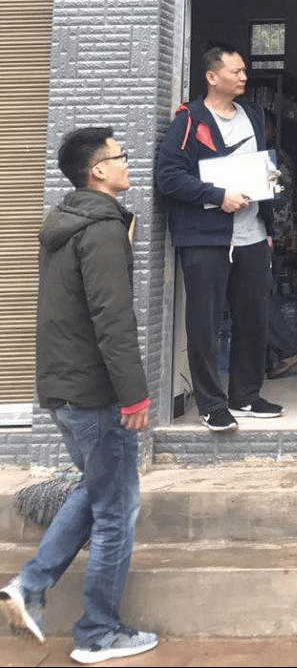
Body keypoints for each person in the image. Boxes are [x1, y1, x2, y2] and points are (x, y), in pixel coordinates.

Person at [0, 128, 159, 663]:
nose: (127, 163)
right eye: (120, 156)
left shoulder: (66, 223)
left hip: (64, 389)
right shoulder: (103, 230)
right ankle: (97, 634)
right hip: (96, 394)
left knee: (95, 491)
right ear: (98, 171)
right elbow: (113, 320)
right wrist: (133, 396)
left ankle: (29, 586)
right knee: (117, 510)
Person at [155, 42, 283, 432]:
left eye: (244, 70)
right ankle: (211, 404)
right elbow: (168, 177)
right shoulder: (189, 120)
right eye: (235, 71)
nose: (244, 76)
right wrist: (217, 196)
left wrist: (269, 214)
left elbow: (262, 163)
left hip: (252, 235)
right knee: (205, 323)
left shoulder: (253, 115)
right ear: (212, 77)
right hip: (206, 238)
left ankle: (246, 395)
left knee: (254, 318)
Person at [264, 110, 297, 379]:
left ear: (272, 131)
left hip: (268, 237)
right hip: (271, 236)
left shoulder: (272, 160)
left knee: (257, 297)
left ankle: (287, 348)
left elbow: (274, 203)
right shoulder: (272, 156)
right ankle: (266, 362)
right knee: (259, 296)